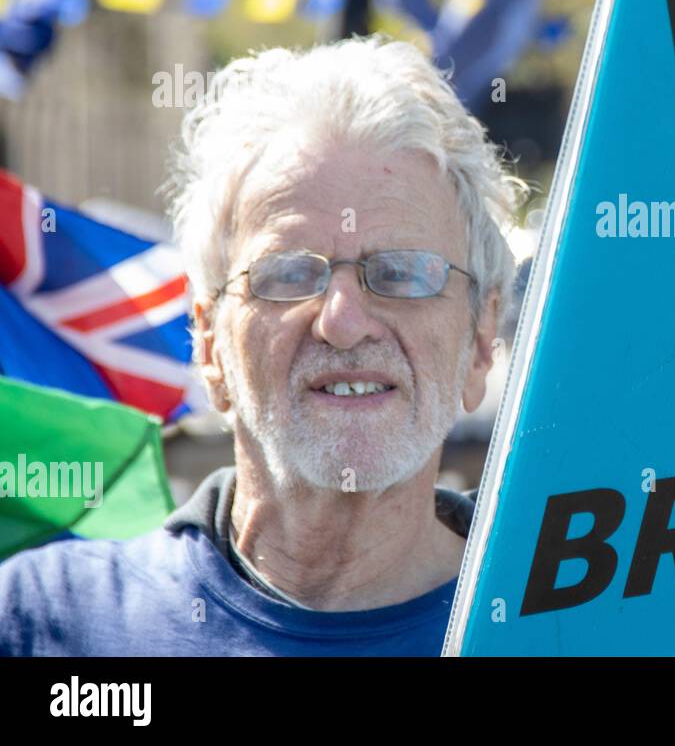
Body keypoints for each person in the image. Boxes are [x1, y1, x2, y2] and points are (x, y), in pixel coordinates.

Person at [0, 36, 525, 655]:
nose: (343, 322)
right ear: (210, 346)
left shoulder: (581, 630)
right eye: (289, 276)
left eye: (403, 273)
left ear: (481, 336)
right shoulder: (41, 625)